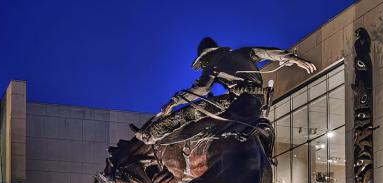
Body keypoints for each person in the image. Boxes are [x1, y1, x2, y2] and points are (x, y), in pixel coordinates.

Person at [135, 37, 315, 146]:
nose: (203, 67)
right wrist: (293, 58)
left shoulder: (213, 64)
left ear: (205, 57)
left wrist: (174, 101)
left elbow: (201, 89)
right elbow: (268, 53)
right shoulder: (243, 52)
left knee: (192, 112)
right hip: (259, 100)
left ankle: (152, 134)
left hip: (240, 100)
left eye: (203, 64)